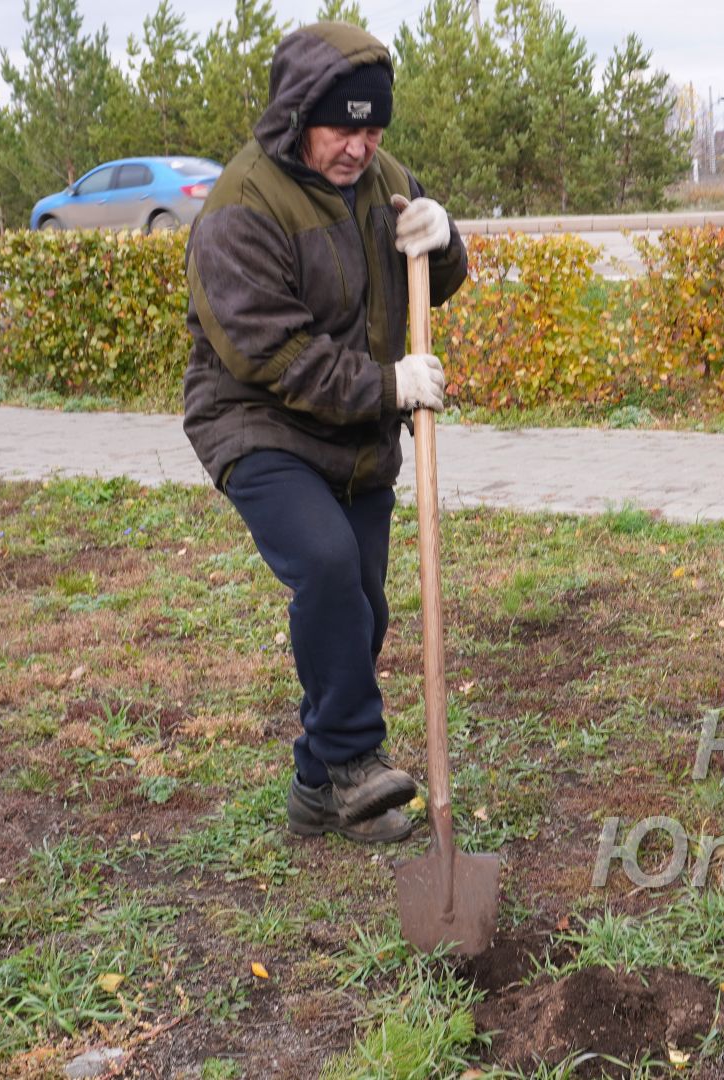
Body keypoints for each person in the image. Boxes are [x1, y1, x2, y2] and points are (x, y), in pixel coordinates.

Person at [182, 21, 467, 845]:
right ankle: (353, 759)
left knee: (363, 608)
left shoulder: (384, 180)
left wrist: (444, 244)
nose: (359, 147)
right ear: (298, 114)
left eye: (373, 129)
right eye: (343, 127)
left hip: (356, 430)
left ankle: (314, 787)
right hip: (257, 420)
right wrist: (389, 384)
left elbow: (432, 283)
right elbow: (271, 353)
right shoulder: (241, 210)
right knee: (330, 566)